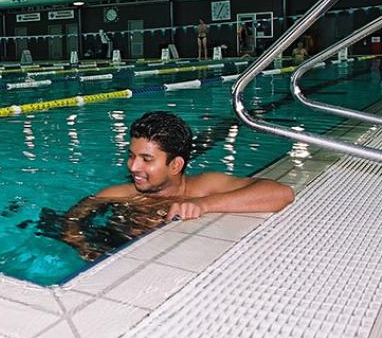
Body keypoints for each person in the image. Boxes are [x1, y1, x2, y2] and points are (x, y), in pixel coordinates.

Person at [61, 111, 294, 260]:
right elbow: (73, 218)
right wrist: (82, 245)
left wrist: (202, 205)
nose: (132, 167)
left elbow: (281, 193)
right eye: (131, 156)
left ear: (175, 165)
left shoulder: (203, 187)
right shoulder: (120, 194)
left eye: (146, 159)